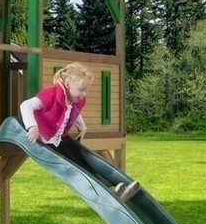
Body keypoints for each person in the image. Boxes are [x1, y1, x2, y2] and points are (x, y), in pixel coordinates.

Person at [19, 62, 139, 201]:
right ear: (68, 83)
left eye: (86, 90)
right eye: (81, 89)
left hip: (59, 140)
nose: (84, 94)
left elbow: (72, 113)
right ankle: (108, 191)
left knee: (84, 162)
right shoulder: (51, 94)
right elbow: (26, 105)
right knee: (77, 169)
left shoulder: (72, 100)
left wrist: (82, 127)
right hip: (46, 141)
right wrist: (32, 127)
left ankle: (115, 187)